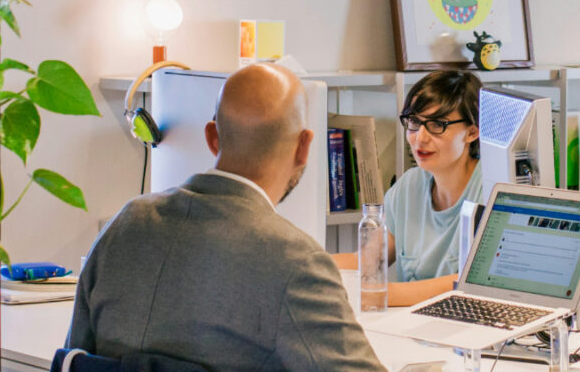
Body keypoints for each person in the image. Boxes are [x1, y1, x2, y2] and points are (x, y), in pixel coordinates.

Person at [66, 64, 385, 372]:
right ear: (304, 147)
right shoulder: (297, 262)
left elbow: (75, 355)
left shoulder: (126, 224)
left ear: (212, 137)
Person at [335, 70, 482, 306]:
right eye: (414, 123)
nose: (419, 138)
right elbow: (367, 260)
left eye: (437, 125)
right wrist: (304, 264)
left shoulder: (490, 190)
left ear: (472, 132)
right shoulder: (409, 186)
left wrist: (379, 295)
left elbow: (472, 285)